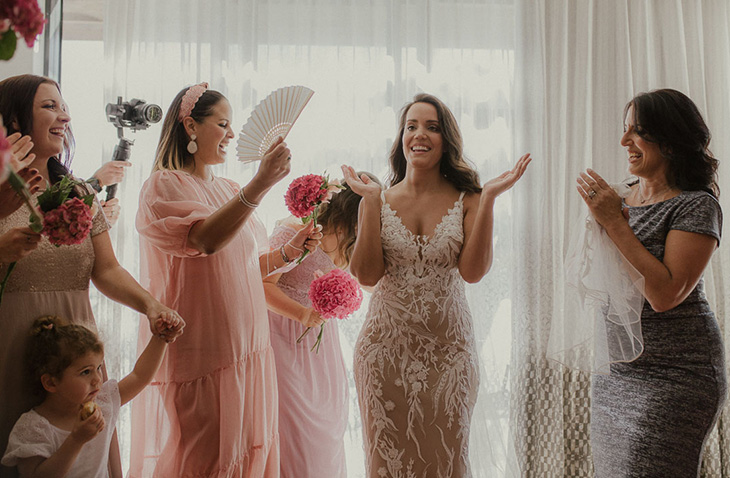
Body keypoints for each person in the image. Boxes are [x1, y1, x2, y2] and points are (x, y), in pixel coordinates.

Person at [131, 82, 322, 478]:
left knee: (247, 455)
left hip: (247, 347)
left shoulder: (227, 189)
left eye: (232, 125)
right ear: (190, 126)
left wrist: (290, 251)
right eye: (222, 124)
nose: (232, 134)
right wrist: (260, 184)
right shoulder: (164, 186)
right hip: (203, 353)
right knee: (204, 461)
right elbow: (205, 241)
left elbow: (242, 268)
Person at [0, 74, 184, 478]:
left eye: (64, 107)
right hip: (9, 343)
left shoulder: (79, 193)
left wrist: (150, 306)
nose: (64, 116)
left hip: (74, 348)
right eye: (49, 106)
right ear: (13, 120)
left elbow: (108, 269)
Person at [343, 93, 531, 477]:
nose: (419, 134)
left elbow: (473, 272)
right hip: (384, 354)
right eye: (411, 126)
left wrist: (490, 198)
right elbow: (366, 275)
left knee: (447, 458)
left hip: (449, 355)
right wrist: (370, 203)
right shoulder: (377, 199)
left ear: (447, 140)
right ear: (401, 138)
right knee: (386, 464)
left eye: (432, 127)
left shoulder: (470, 199)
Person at [576, 89, 726, 477]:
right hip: (617, 374)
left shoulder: (697, 205)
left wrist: (613, 222)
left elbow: (665, 294)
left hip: (677, 376)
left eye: (637, 132)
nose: (624, 141)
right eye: (625, 130)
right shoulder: (620, 196)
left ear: (670, 140)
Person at [263, 172, 381, 478]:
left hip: (322, 346)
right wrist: (303, 314)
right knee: (296, 431)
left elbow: (372, 284)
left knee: (326, 432)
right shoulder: (298, 230)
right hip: (284, 338)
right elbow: (262, 286)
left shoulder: (352, 242)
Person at [1, 314, 182, 478]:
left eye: (98, 368)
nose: (97, 379)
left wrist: (162, 337)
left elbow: (139, 376)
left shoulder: (102, 402)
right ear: (51, 383)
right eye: (86, 372)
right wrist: (76, 440)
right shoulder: (34, 427)